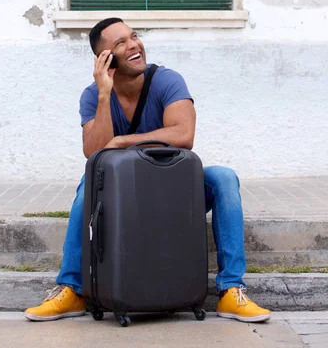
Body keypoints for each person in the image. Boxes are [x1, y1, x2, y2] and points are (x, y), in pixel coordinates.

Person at [24, 17, 271, 323]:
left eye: (134, 36)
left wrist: (126, 139)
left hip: (172, 188)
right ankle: (72, 289)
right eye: (120, 43)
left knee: (223, 177)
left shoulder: (167, 80)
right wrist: (104, 94)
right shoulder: (93, 96)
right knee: (88, 184)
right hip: (124, 196)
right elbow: (96, 154)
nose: (134, 45)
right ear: (104, 58)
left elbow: (184, 135)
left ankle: (231, 291)